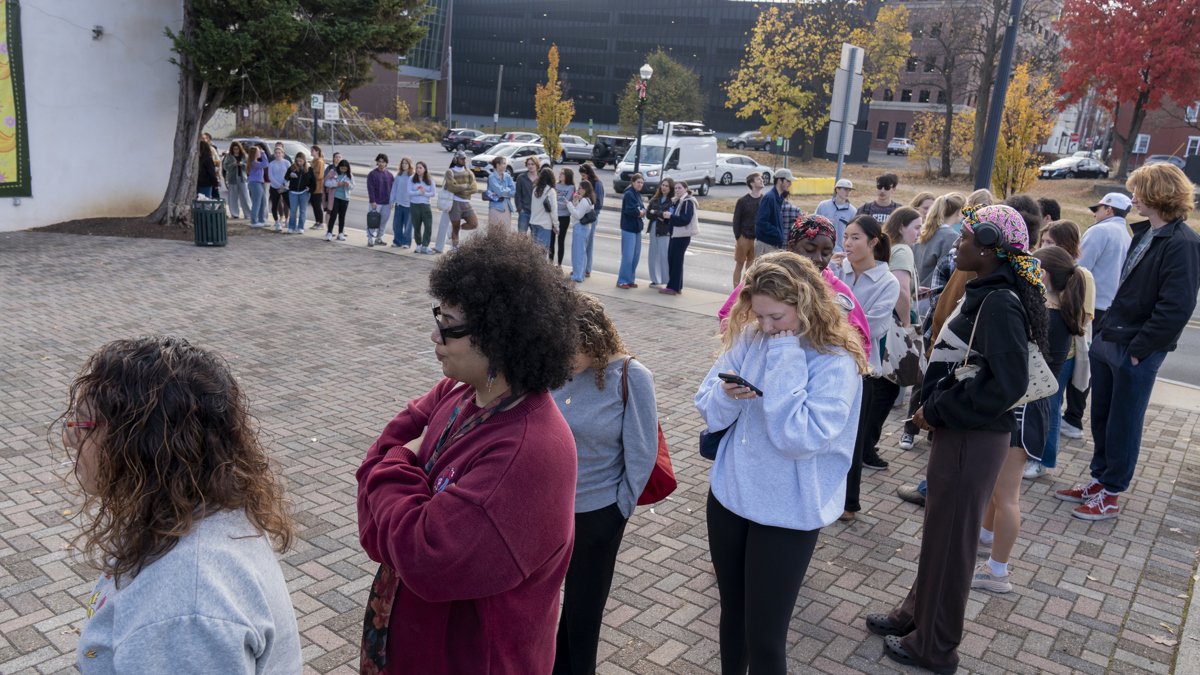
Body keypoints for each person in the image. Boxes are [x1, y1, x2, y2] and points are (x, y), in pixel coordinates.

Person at [356, 230, 579, 673]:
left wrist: (401, 462)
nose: (435, 335)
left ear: (499, 335)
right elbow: (371, 481)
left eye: (450, 325)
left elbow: (422, 556)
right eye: (438, 315)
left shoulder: (527, 452)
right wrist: (399, 489)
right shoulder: (456, 393)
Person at [865, 204, 1045, 674]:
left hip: (973, 436)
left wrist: (938, 408)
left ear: (990, 247)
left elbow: (1006, 384)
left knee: (953, 544)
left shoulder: (1000, 302)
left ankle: (935, 646)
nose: (957, 244)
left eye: (965, 238)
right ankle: (915, 616)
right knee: (940, 537)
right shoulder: (985, 291)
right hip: (962, 434)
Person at [66, 336, 300, 673]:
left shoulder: (184, 611)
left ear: (140, 445)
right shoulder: (190, 507)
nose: (69, 437)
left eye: (83, 425)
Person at [696, 252, 867, 672]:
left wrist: (787, 351)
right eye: (759, 315)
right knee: (732, 617)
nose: (767, 326)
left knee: (766, 636)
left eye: (777, 317)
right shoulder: (751, 336)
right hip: (730, 495)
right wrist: (726, 397)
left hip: (789, 511)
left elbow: (798, 437)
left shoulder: (835, 361)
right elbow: (707, 405)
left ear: (805, 303)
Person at [1055, 164, 1200, 520]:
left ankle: (1112, 491)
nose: (1131, 196)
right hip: (1113, 338)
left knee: (1124, 420)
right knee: (1102, 415)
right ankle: (1099, 479)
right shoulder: (1145, 233)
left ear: (1159, 194)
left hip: (1135, 347)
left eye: (1138, 190)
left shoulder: (1182, 243)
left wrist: (1139, 350)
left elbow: (1176, 307)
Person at [551, 294, 659, 675]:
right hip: (546, 510)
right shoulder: (557, 369)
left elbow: (642, 453)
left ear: (595, 339)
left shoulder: (631, 377)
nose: (567, 358)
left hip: (597, 515)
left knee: (583, 614)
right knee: (543, 607)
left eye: (573, 349)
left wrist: (619, 510)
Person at [718, 214, 872, 357]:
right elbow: (728, 316)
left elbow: (862, 340)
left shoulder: (836, 290)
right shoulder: (765, 279)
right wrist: (742, 352)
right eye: (810, 250)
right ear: (791, 246)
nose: (817, 259)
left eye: (826, 252)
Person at [834, 215, 900, 521]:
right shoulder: (836, 269)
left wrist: (832, 321)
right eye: (846, 236)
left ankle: (849, 503)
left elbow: (871, 328)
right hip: (829, 363)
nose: (847, 243)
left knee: (854, 438)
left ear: (874, 242)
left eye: (855, 237)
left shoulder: (887, 281)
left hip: (863, 371)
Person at [1026, 221, 1096, 479]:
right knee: (1043, 405)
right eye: (1043, 242)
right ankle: (1036, 455)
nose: (1045, 246)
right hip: (1053, 352)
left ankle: (1041, 457)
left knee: (1050, 407)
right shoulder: (1046, 296)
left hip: (1063, 355)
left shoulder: (1081, 276)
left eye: (1051, 243)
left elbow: (1084, 317)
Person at [1061, 192, 1133, 440]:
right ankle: (1074, 417)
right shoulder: (1126, 235)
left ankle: (1072, 419)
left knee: (1074, 360)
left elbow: (1078, 269)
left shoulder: (1100, 232)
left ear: (1109, 210)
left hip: (1087, 305)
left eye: (1098, 208)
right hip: (1107, 307)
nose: (1095, 212)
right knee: (1086, 363)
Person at [662, 181, 700, 296]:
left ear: (685, 189)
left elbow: (685, 219)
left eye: (679, 188)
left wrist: (671, 216)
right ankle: (676, 286)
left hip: (682, 236)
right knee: (673, 261)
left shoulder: (688, 202)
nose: (677, 190)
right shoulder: (678, 201)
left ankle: (673, 287)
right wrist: (668, 217)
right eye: (676, 188)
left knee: (676, 261)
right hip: (676, 235)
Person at [731, 172, 764, 285]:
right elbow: (736, 220)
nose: (762, 180)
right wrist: (738, 237)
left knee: (750, 268)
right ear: (752, 183)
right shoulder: (743, 201)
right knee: (739, 265)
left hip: (757, 239)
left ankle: (744, 290)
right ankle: (735, 293)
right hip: (744, 237)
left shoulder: (764, 200)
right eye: (758, 179)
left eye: (761, 179)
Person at [753, 169, 794, 256]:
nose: (790, 184)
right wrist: (777, 232)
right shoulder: (769, 198)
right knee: (762, 270)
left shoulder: (779, 198)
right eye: (788, 181)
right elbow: (761, 222)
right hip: (765, 245)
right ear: (779, 180)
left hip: (773, 245)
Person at [443, 151, 479, 251]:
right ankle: (454, 247)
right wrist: (465, 187)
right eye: (461, 158)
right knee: (455, 227)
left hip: (466, 203)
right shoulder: (450, 172)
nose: (463, 160)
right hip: (454, 203)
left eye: (464, 158)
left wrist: (460, 189)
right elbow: (451, 187)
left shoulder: (469, 172)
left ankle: (456, 229)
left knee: (474, 223)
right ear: (456, 159)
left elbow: (474, 188)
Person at [617, 174, 646, 288]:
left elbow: (643, 208)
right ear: (633, 182)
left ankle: (630, 279)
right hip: (629, 228)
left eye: (642, 183)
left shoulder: (637, 194)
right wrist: (641, 212)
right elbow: (632, 210)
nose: (640, 184)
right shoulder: (629, 194)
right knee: (628, 256)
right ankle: (622, 280)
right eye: (638, 182)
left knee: (635, 256)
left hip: (637, 228)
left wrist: (641, 212)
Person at [646, 178, 675, 287]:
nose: (664, 187)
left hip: (664, 231)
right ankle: (654, 279)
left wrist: (656, 212)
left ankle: (666, 280)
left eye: (667, 186)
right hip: (653, 229)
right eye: (663, 185)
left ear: (670, 188)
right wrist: (660, 214)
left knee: (664, 255)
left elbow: (667, 216)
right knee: (653, 255)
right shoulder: (655, 199)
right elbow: (649, 214)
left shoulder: (672, 201)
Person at [815, 178, 857, 252]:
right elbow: (814, 224)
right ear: (837, 189)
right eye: (845, 189)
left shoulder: (853, 211)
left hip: (840, 251)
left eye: (849, 190)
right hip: (821, 248)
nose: (848, 192)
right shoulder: (823, 205)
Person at [568, 180, 597, 283]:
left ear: (585, 189)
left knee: (577, 253)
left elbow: (577, 215)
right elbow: (579, 210)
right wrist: (576, 201)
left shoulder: (585, 201)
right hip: (585, 228)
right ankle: (581, 274)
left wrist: (569, 204)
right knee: (582, 253)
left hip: (580, 227)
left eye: (580, 188)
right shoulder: (588, 200)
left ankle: (577, 276)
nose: (578, 190)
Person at [578, 163, 604, 278]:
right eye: (581, 176)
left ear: (589, 174)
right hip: (582, 215)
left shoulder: (597, 184)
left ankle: (587, 268)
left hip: (591, 216)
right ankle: (581, 268)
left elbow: (599, 203)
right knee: (582, 243)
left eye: (584, 175)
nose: (583, 177)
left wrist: (589, 206)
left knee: (588, 243)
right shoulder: (584, 185)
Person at [408, 160, 436, 253]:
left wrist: (425, 193)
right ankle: (419, 245)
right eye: (417, 168)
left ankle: (425, 245)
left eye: (420, 168)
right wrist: (418, 192)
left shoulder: (430, 179)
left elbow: (433, 193)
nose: (418, 169)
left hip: (425, 205)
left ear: (425, 169)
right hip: (414, 205)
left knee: (428, 226)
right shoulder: (412, 178)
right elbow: (409, 192)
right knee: (416, 226)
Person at [368, 153, 395, 247]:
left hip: (387, 203)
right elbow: (370, 189)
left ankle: (379, 238)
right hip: (376, 203)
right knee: (372, 222)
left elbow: (393, 190)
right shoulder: (372, 174)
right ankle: (370, 239)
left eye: (383, 162)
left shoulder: (390, 175)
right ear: (377, 162)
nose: (381, 163)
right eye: (379, 161)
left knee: (383, 222)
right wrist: (372, 201)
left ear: (386, 163)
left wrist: (392, 202)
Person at [551, 168, 576, 268]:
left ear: (567, 176)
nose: (560, 175)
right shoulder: (555, 185)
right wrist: (558, 203)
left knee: (561, 241)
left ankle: (559, 264)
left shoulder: (571, 187)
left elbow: (565, 204)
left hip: (564, 217)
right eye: (560, 173)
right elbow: (553, 200)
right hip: (554, 216)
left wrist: (556, 203)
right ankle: (550, 262)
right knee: (551, 240)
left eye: (563, 174)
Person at [528, 167, 559, 249]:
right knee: (542, 253)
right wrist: (556, 226)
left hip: (533, 222)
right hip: (544, 224)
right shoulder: (551, 191)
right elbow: (554, 210)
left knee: (534, 252)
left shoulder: (535, 189)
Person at [285, 152, 314, 234]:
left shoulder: (309, 169)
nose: (299, 163)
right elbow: (286, 177)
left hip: (304, 192)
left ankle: (301, 227)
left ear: (304, 160)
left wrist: (310, 188)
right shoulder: (292, 167)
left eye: (301, 161)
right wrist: (290, 175)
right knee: (293, 211)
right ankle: (291, 227)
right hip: (293, 192)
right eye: (297, 161)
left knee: (303, 211)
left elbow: (313, 182)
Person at [220, 141, 251, 220]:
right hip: (232, 178)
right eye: (234, 149)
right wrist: (232, 165)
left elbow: (248, 166)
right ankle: (234, 214)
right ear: (232, 149)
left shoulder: (244, 155)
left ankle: (248, 214)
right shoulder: (229, 156)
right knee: (233, 197)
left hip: (242, 178)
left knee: (245, 196)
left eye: (237, 149)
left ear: (240, 148)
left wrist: (242, 164)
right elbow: (225, 167)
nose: (236, 150)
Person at [326, 158, 353, 242]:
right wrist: (337, 184)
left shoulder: (349, 175)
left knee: (342, 216)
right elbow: (326, 183)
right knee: (333, 215)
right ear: (339, 167)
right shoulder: (333, 172)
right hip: (335, 197)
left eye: (345, 169)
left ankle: (340, 233)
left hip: (345, 198)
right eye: (342, 168)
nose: (343, 170)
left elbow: (352, 187)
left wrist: (348, 184)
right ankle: (329, 232)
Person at [390, 157, 414, 247]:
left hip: (409, 205)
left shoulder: (412, 176)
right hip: (399, 204)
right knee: (397, 225)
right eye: (403, 163)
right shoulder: (398, 176)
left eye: (406, 163)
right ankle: (397, 241)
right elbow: (394, 189)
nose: (404, 165)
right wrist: (392, 201)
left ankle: (406, 243)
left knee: (408, 226)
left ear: (409, 165)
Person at [267, 146, 290, 231]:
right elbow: (270, 176)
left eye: (279, 153)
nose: (278, 154)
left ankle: (288, 220)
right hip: (274, 187)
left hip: (285, 187)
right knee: (275, 205)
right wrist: (278, 185)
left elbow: (289, 174)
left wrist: (284, 184)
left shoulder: (287, 163)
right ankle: (277, 223)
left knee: (289, 204)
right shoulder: (272, 164)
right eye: (276, 153)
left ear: (283, 154)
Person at [515, 156, 540, 235]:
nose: (530, 166)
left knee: (535, 239)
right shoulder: (521, 178)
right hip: (524, 212)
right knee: (521, 238)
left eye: (532, 164)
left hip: (537, 214)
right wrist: (520, 209)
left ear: (537, 165)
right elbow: (517, 195)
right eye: (528, 164)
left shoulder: (541, 179)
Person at [246, 144, 269, 228]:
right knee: (256, 203)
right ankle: (254, 221)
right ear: (255, 153)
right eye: (258, 151)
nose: (260, 152)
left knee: (263, 202)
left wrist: (262, 153)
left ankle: (261, 220)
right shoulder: (254, 163)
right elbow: (266, 164)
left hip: (260, 183)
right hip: (255, 183)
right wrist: (263, 153)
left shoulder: (256, 162)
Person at [309, 145, 326, 230]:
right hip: (312, 186)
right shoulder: (313, 161)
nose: (311, 152)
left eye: (312, 150)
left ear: (317, 151)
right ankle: (317, 222)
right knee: (314, 205)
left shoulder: (320, 161)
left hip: (318, 187)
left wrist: (311, 173)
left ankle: (321, 223)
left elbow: (320, 175)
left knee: (317, 205)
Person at [322, 151, 342, 220]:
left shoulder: (343, 168)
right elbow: (325, 180)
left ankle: (336, 228)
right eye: (336, 157)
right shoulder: (330, 168)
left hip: (339, 193)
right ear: (333, 159)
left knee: (338, 212)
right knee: (329, 211)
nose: (338, 159)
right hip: (330, 193)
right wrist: (335, 183)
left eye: (339, 157)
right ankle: (328, 228)